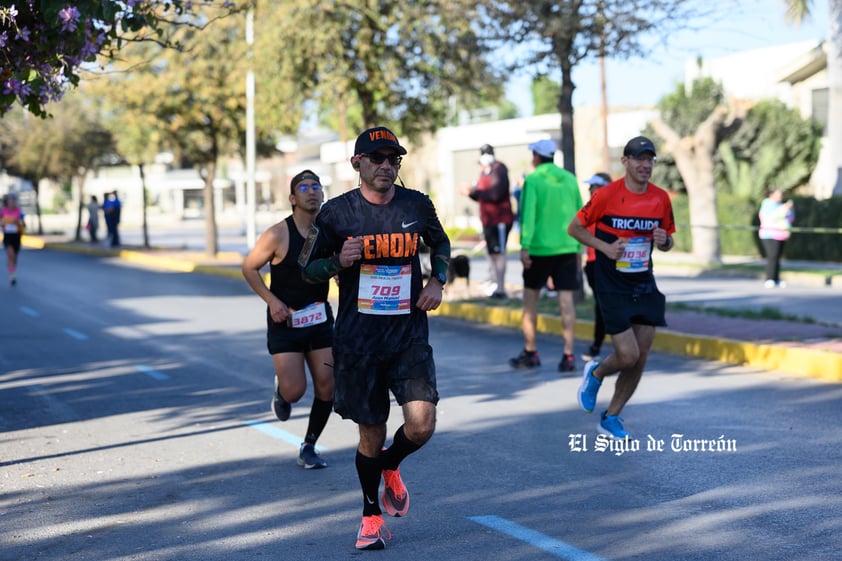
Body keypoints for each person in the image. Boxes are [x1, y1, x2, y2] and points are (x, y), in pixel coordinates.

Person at [302, 126, 450, 551]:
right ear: (357, 164)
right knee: (371, 432)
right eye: (377, 159)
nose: (387, 166)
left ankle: (389, 466)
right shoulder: (335, 214)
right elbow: (306, 269)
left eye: (393, 159)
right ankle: (370, 517)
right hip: (358, 341)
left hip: (408, 335)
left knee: (421, 424)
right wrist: (336, 261)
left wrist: (438, 281)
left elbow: (441, 244)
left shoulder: (416, 204)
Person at [567, 136, 676, 440]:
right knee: (627, 355)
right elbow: (574, 228)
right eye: (638, 159)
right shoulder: (606, 195)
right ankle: (597, 373)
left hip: (644, 281)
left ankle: (611, 416)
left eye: (650, 159)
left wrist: (664, 241)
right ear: (625, 162)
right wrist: (605, 247)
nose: (645, 165)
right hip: (611, 281)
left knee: (641, 356)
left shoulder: (660, 198)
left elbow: (668, 240)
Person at [241, 169, 335, 470]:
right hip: (286, 322)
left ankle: (309, 446)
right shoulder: (277, 234)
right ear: (293, 198)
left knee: (327, 386)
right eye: (304, 187)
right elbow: (249, 268)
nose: (312, 191)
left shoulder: (329, 231)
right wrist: (272, 301)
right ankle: (282, 392)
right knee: (296, 391)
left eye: (316, 186)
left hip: (319, 320)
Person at [508, 139, 582, 372]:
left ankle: (531, 351)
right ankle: (568, 355)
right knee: (566, 302)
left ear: (537, 157)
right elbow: (581, 213)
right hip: (567, 247)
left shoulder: (533, 179)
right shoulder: (570, 179)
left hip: (539, 248)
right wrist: (580, 247)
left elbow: (527, 214)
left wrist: (524, 246)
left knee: (531, 301)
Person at [460, 144, 515, 298]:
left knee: (499, 253)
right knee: (492, 254)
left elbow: (495, 194)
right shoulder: (484, 171)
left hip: (500, 219)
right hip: (488, 220)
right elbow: (480, 196)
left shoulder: (499, 169)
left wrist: (474, 191)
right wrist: (470, 193)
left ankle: (501, 288)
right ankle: (494, 283)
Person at [580, 172, 612, 362]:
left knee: (608, 305)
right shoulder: (589, 208)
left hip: (609, 263)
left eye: (596, 187)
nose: (592, 191)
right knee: (601, 306)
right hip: (592, 264)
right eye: (591, 188)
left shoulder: (614, 208)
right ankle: (597, 345)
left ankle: (598, 345)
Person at [758, 188, 794, 288]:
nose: (780, 196)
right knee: (772, 257)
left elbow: (790, 218)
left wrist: (789, 210)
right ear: (771, 195)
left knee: (777, 258)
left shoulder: (781, 206)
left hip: (781, 235)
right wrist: (784, 209)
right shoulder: (767, 204)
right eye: (778, 194)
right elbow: (772, 217)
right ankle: (769, 278)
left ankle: (776, 279)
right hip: (769, 234)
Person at [1, 192, 25, 286]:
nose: (12, 202)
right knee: (10, 254)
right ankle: (12, 277)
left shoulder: (19, 211)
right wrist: (3, 223)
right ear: (8, 201)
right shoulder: (3, 211)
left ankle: (12, 270)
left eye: (13, 200)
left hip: (16, 236)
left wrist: (18, 222)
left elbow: (23, 224)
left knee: (14, 257)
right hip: (7, 236)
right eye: (10, 200)